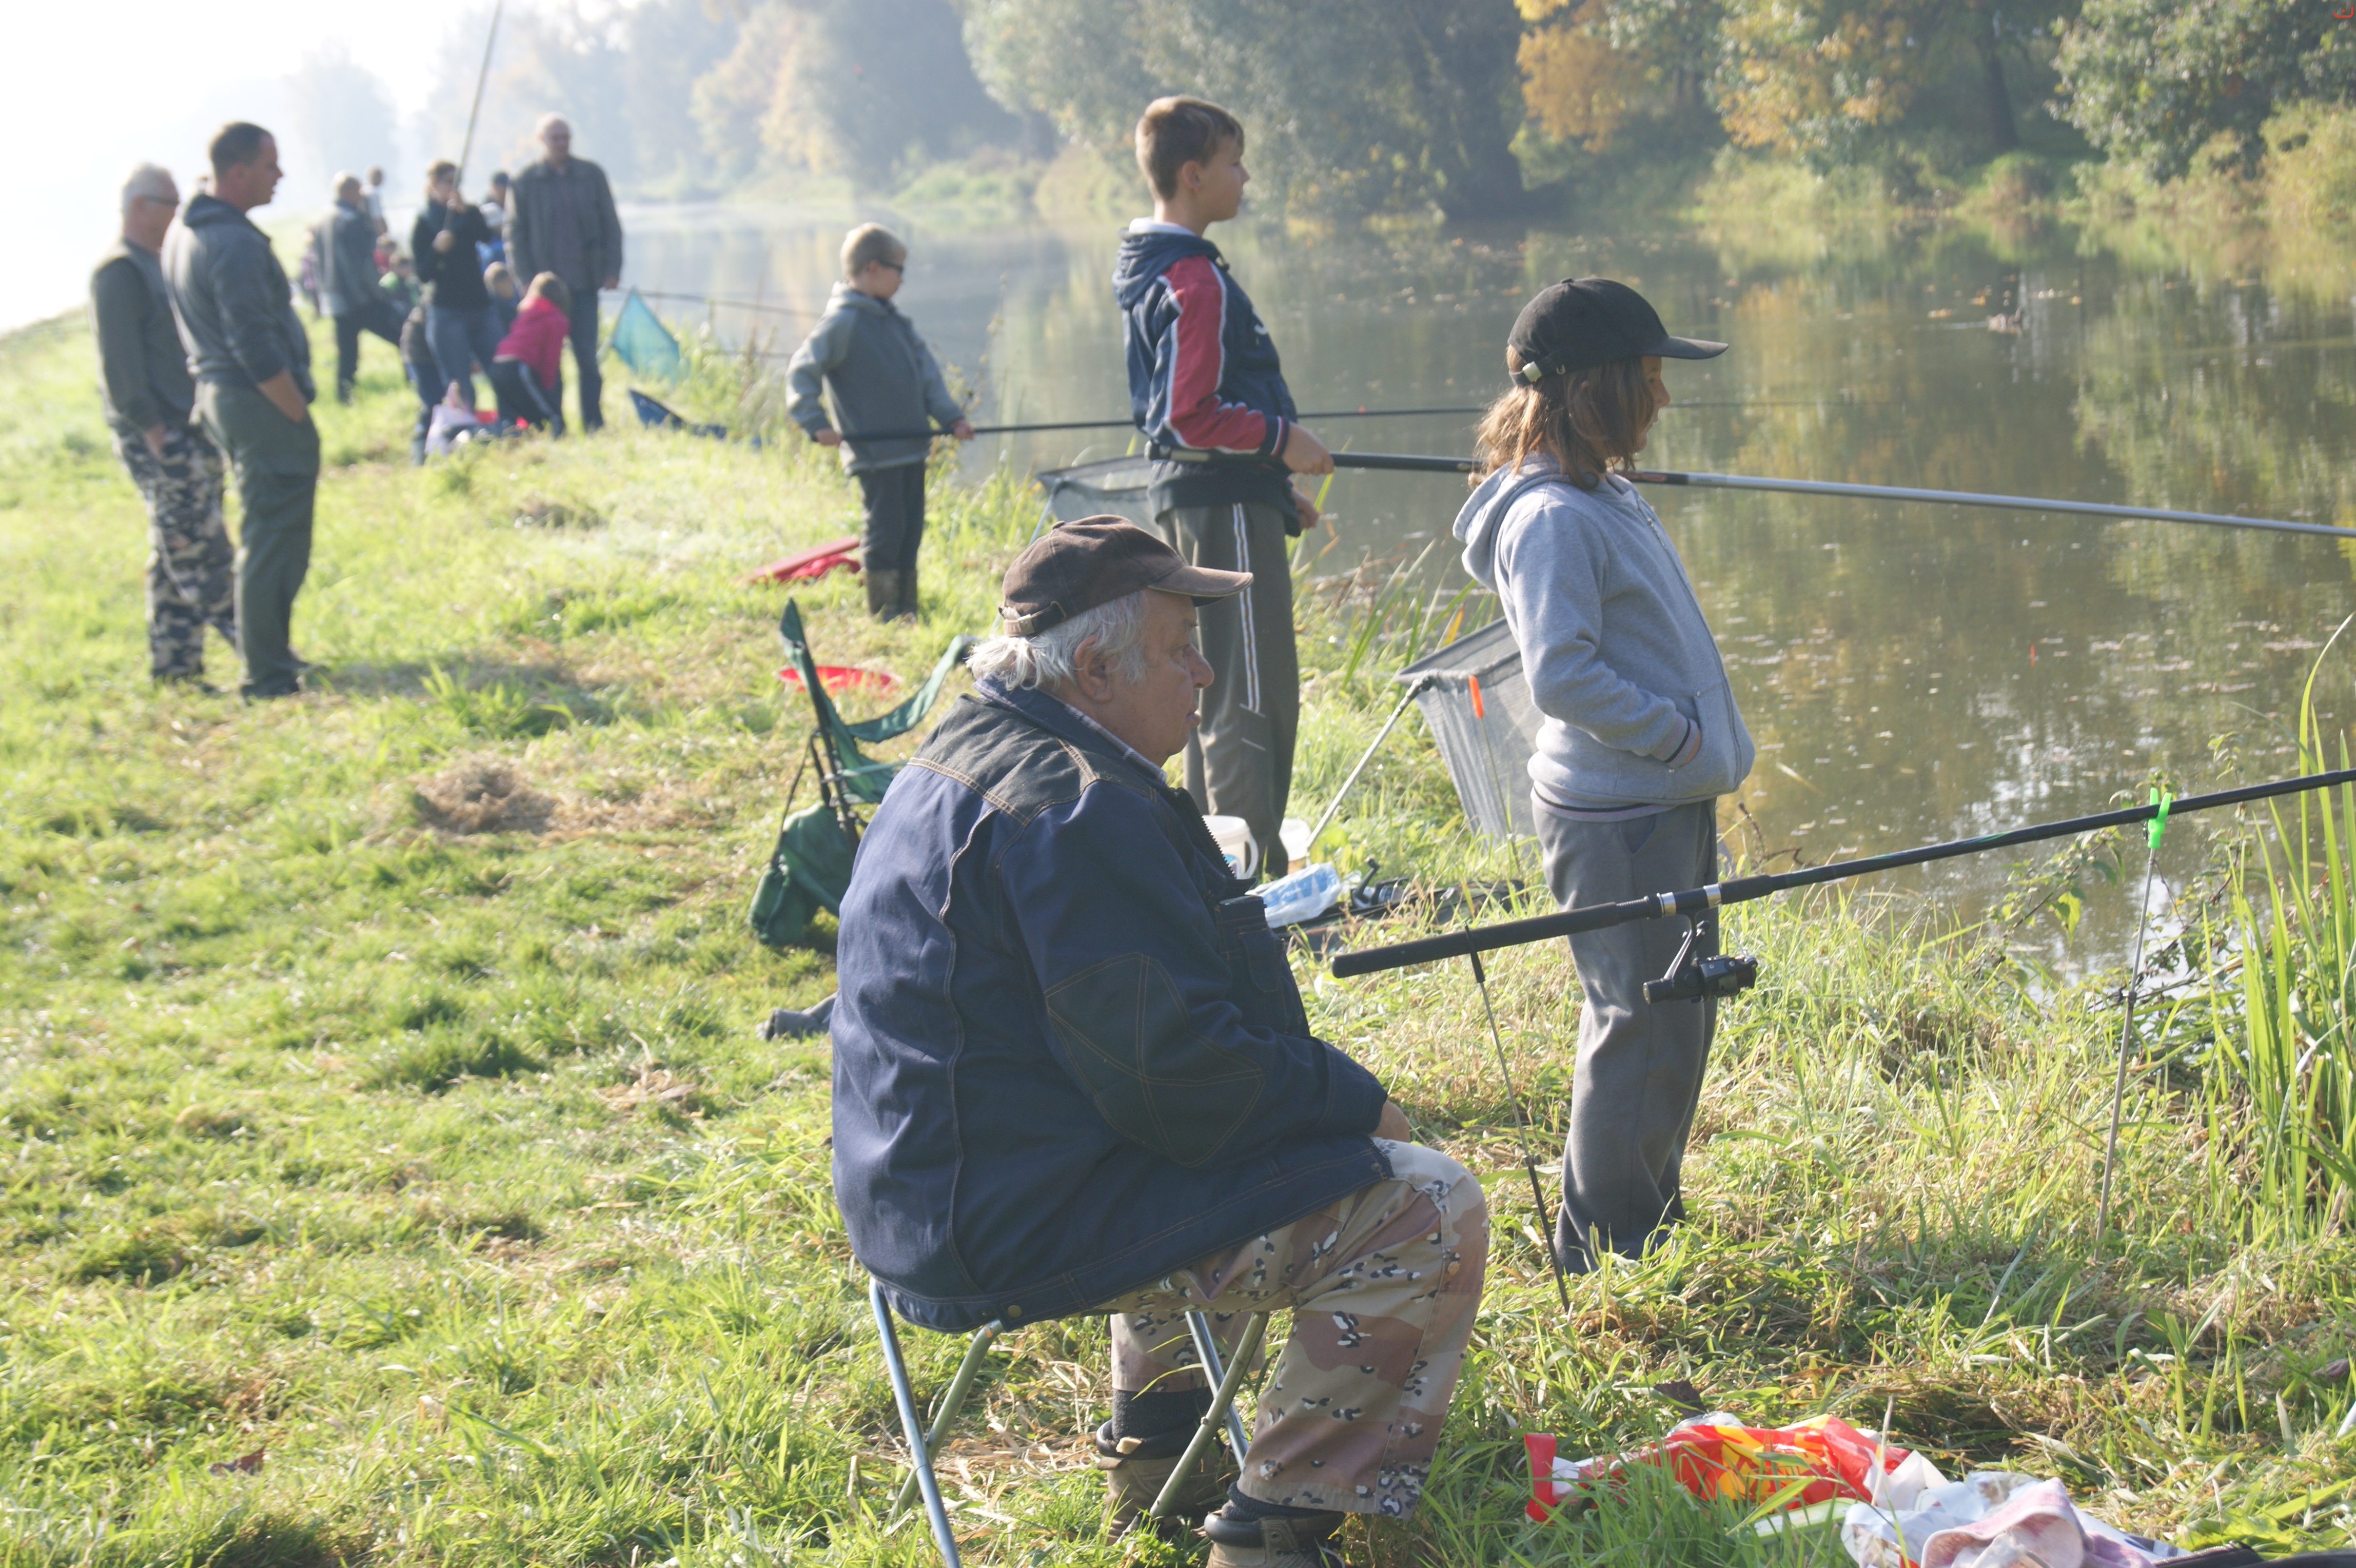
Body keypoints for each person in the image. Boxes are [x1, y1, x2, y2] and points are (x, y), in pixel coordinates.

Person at [833, 518, 1488, 1568]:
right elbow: (1179, 1082)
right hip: (1001, 1223)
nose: (1204, 671)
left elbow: (1143, 1064)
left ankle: (1162, 1454)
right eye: (1179, 647)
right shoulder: (1074, 809)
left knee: (1234, 1154)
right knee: (1427, 1205)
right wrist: (1351, 1099)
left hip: (927, 1194)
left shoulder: (969, 750)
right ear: (1094, 670)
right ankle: (1273, 1535)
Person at [1451, 277, 1751, 1275]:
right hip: (1622, 813)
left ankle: (1648, 1214)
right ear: (1595, 389)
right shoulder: (1551, 518)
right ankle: (1605, 1249)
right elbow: (1563, 674)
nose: (1661, 396)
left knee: (1677, 1015)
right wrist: (1677, 740)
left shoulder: (1597, 493)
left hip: (1656, 800)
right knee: (1637, 1024)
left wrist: (1687, 759)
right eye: (1648, 377)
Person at [1114, 96, 1333, 885]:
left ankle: (1215, 869)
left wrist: (1269, 487)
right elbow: (1189, 415)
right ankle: (1247, 886)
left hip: (1218, 499)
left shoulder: (1160, 268)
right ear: (1192, 175)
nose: (1245, 178)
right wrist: (1282, 442)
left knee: (1209, 680)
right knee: (1250, 690)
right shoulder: (1194, 279)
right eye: (1234, 163)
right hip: (1220, 503)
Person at [164, 122, 318, 702]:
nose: (279, 176)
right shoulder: (232, 242)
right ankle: (267, 674)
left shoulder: (188, 231)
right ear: (238, 171)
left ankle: (271, 658)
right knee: (273, 538)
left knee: (265, 533)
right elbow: (252, 342)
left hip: (221, 397)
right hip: (255, 401)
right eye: (270, 165)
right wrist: (294, 410)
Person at [90, 162, 236, 689]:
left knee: (174, 543)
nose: (177, 212)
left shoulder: (155, 262)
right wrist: (154, 431)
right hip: (158, 431)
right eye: (169, 203)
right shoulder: (119, 271)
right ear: (140, 207)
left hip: (185, 423)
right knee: (197, 546)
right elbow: (119, 364)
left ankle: (175, 669)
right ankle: (262, 653)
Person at [784, 224, 972, 621]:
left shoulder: (897, 324)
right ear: (873, 268)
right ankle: (885, 613)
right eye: (898, 270)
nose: (902, 280)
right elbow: (802, 372)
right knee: (885, 533)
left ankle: (908, 611)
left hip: (912, 449)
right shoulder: (842, 322)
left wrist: (952, 418)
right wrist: (815, 422)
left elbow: (929, 379)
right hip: (874, 455)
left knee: (910, 533)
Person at [506, 114, 622, 432]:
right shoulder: (525, 181)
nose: (562, 144)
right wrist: (526, 281)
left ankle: (594, 424)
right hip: (547, 293)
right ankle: (555, 424)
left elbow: (611, 224)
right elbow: (515, 235)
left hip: (584, 283)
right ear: (541, 141)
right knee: (549, 363)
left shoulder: (591, 175)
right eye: (555, 138)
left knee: (587, 359)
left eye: (566, 138)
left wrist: (612, 269)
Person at [411, 162, 503, 413]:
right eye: (448, 182)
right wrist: (437, 251)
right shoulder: (424, 222)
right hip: (447, 310)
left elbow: (486, 236)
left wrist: (468, 212)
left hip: (480, 304)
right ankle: (465, 424)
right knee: (459, 382)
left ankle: (510, 419)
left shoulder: (467, 213)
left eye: (457, 182)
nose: (454, 187)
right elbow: (422, 274)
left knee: (501, 368)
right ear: (433, 185)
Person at [318, 173, 403, 404]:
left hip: (336, 299)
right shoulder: (351, 220)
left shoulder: (323, 218)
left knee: (347, 353)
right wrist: (379, 292)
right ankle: (417, 377)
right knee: (402, 335)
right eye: (359, 192)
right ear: (349, 192)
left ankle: (344, 396)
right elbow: (364, 263)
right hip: (360, 297)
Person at [487, 272, 570, 435]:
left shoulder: (527, 312)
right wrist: (548, 386)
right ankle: (558, 438)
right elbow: (550, 358)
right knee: (551, 416)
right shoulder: (557, 319)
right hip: (518, 366)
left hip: (497, 365)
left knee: (512, 419)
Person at [398, 303, 442, 465]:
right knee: (432, 403)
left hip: (434, 354)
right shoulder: (434, 303)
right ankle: (419, 455)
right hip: (421, 355)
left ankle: (439, 449)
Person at [478, 170, 510, 267]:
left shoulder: (511, 204)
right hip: (491, 249)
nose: (505, 191)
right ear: (493, 187)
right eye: (502, 187)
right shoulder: (487, 208)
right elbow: (503, 231)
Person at [484, 262, 520, 331]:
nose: (512, 286)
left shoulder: (514, 302)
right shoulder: (495, 312)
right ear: (497, 285)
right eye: (508, 283)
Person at [362, 165, 387, 238]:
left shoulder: (364, 190)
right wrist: (383, 236)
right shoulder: (373, 194)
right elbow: (376, 217)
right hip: (373, 231)